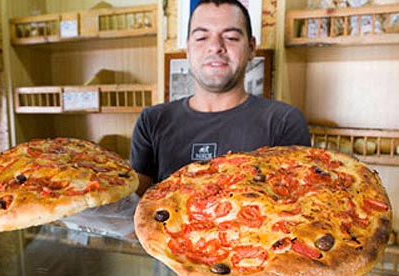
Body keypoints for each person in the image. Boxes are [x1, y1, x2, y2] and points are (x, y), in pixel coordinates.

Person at [130, 0, 311, 196]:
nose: (215, 47)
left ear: (251, 48)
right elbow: (136, 208)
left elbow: (300, 208)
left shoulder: (283, 121)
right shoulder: (152, 121)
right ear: (188, 48)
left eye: (231, 37)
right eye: (201, 38)